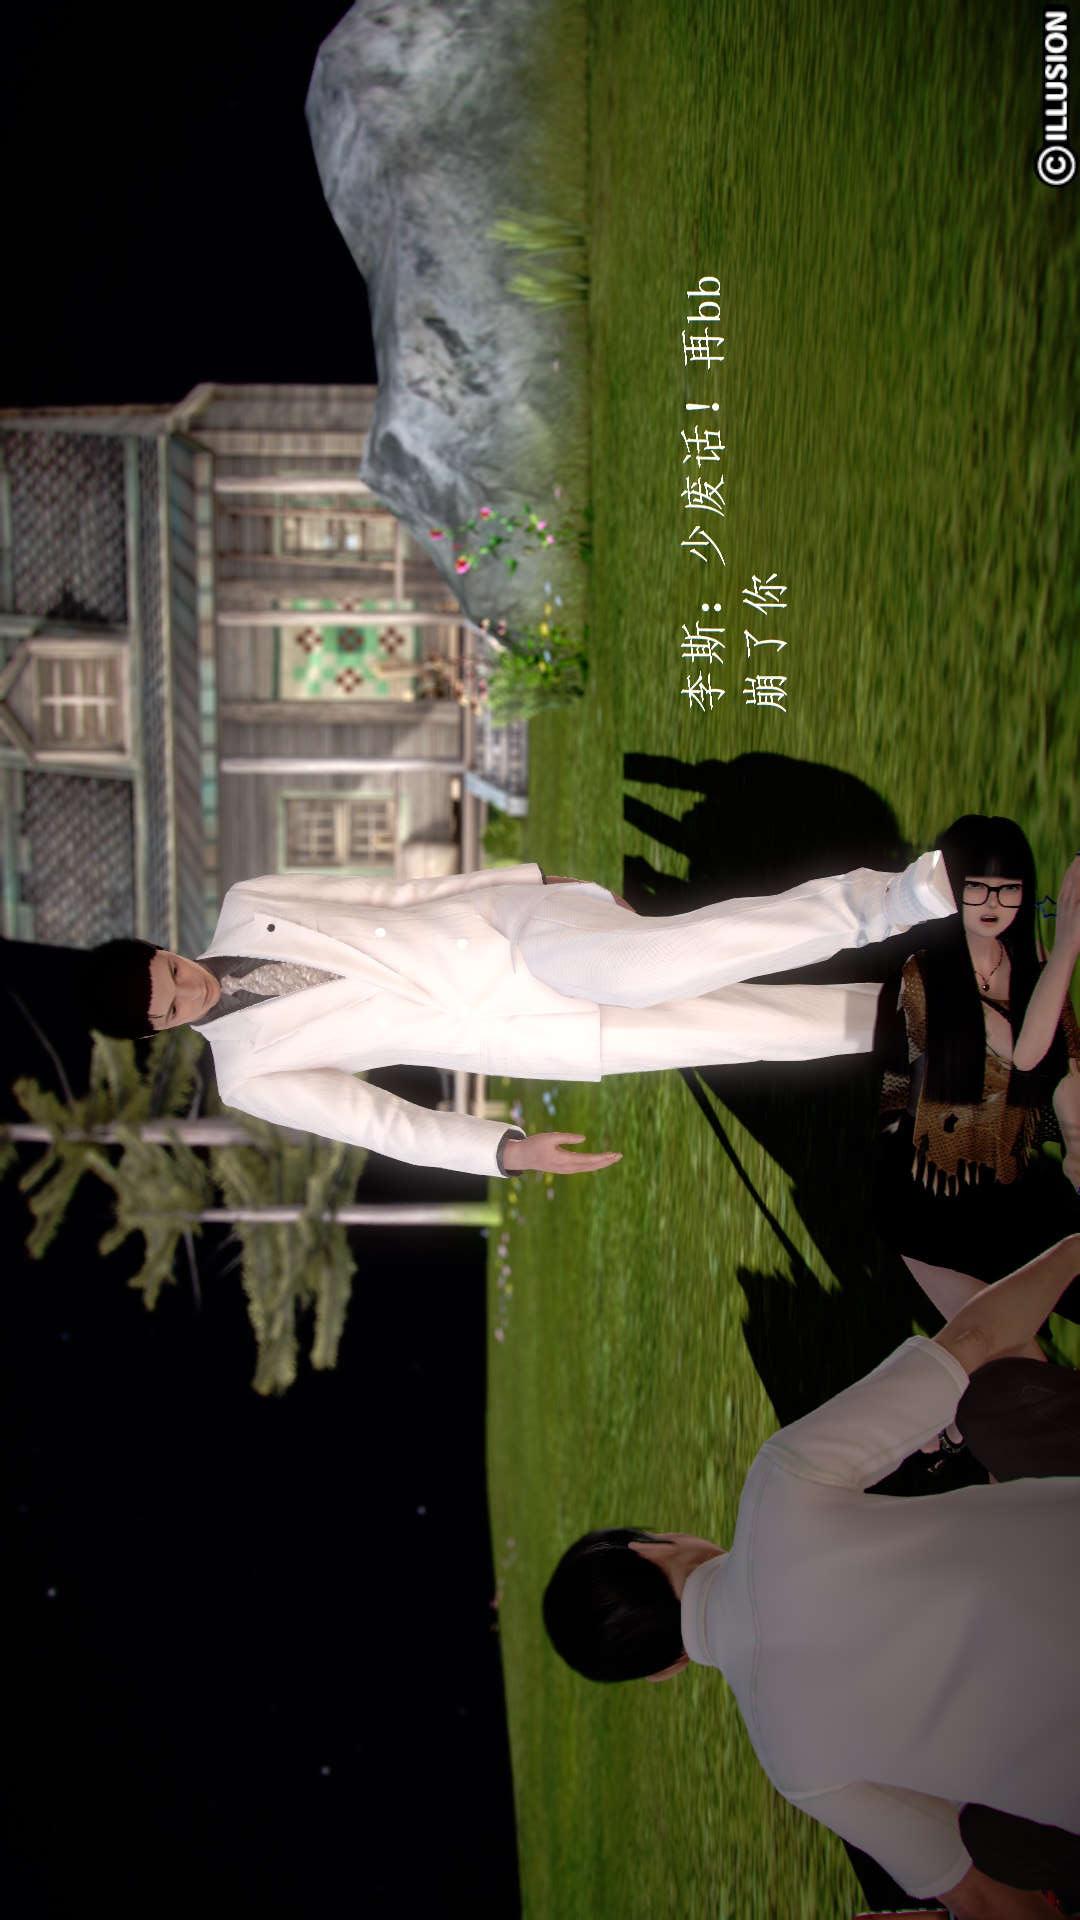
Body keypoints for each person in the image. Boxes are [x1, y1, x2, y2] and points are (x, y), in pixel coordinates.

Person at [542, 1234, 1080, 1920]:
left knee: (993, 1842)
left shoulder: (794, 1768)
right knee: (994, 1396)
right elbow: (972, 1338)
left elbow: (978, 1895)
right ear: (651, 1548)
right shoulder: (779, 1481)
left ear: (665, 1669)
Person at [75, 852, 953, 1178]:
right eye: (171, 1008)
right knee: (747, 1033)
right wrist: (504, 1151)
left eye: (171, 971)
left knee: (650, 967)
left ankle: (885, 902)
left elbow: (397, 891)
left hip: (507, 928)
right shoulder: (249, 1075)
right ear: (159, 1034)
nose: (190, 990)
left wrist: (532, 880)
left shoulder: (248, 899)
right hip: (523, 1031)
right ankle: (923, 1020)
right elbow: (384, 1124)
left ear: (163, 946)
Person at [874, 820, 1080, 1346]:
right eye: (977, 887)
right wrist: (1066, 954)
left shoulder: (1033, 971)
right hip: (934, 1198)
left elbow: (1067, 1074)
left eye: (1008, 888)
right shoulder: (927, 976)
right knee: (1007, 1361)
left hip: (1012, 1185)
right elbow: (1026, 1054)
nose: (993, 902)